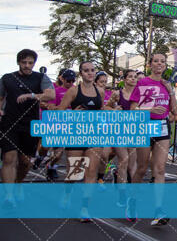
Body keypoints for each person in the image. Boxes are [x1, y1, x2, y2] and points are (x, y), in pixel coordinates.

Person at [0, 49, 55, 206]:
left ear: (34, 63)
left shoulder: (40, 78)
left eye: (30, 63)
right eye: (24, 62)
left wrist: (31, 96)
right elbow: (1, 97)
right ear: (18, 62)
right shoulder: (7, 78)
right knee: (9, 158)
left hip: (30, 124)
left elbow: (50, 95)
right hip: (9, 123)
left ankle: (18, 183)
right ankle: (8, 196)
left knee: (25, 162)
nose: (26, 65)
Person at [130, 53, 177, 226]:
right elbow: (133, 108)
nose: (159, 64)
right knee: (142, 168)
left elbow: (175, 111)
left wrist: (170, 90)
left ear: (165, 65)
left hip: (163, 128)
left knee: (159, 168)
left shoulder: (167, 84)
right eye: (156, 61)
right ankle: (132, 200)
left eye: (163, 62)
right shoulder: (142, 83)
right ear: (150, 64)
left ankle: (159, 209)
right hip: (145, 127)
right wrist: (150, 110)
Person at [58, 61, 106, 222]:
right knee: (74, 173)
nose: (90, 73)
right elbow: (59, 113)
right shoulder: (73, 91)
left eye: (92, 70)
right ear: (81, 74)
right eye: (86, 71)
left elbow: (101, 110)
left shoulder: (100, 91)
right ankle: (67, 193)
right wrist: (73, 114)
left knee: (91, 172)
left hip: (95, 135)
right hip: (76, 135)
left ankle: (85, 208)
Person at [40, 68, 77, 181]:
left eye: (72, 81)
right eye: (68, 81)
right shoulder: (56, 91)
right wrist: (62, 109)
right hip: (56, 124)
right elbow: (50, 107)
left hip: (69, 125)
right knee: (45, 147)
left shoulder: (76, 91)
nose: (70, 83)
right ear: (63, 79)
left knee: (59, 153)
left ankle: (51, 166)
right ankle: (40, 157)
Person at [106, 69, 138, 187]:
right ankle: (122, 194)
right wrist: (114, 110)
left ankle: (131, 191)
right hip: (119, 130)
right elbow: (106, 107)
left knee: (132, 164)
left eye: (135, 76)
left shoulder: (140, 94)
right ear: (124, 79)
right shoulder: (117, 94)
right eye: (130, 76)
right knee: (123, 160)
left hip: (134, 130)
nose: (133, 78)